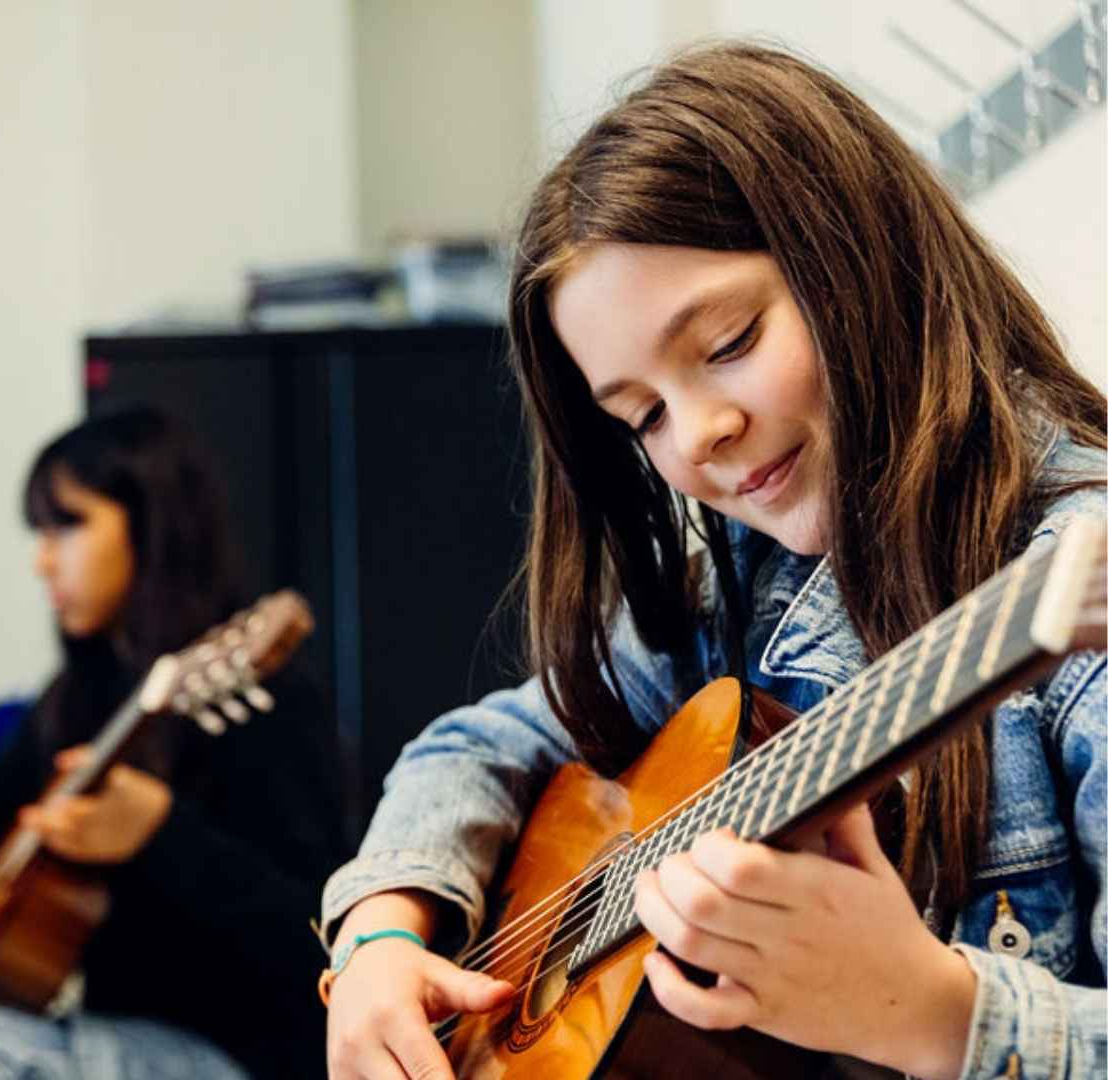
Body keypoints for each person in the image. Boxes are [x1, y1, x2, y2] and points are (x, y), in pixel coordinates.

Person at [318, 43, 1105, 1080]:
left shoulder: (1073, 612)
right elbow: (480, 742)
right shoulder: (740, 584)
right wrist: (380, 931)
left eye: (729, 341)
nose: (698, 436)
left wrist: (932, 1013)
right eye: (641, 415)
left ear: (862, 252)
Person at [0, 407, 348, 1080]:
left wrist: (160, 833)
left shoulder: (268, 700)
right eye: (39, 532)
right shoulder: (80, 698)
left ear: (154, 525)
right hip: (106, 1037)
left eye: (67, 525)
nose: (42, 560)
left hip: (240, 1057)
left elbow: (319, 939)